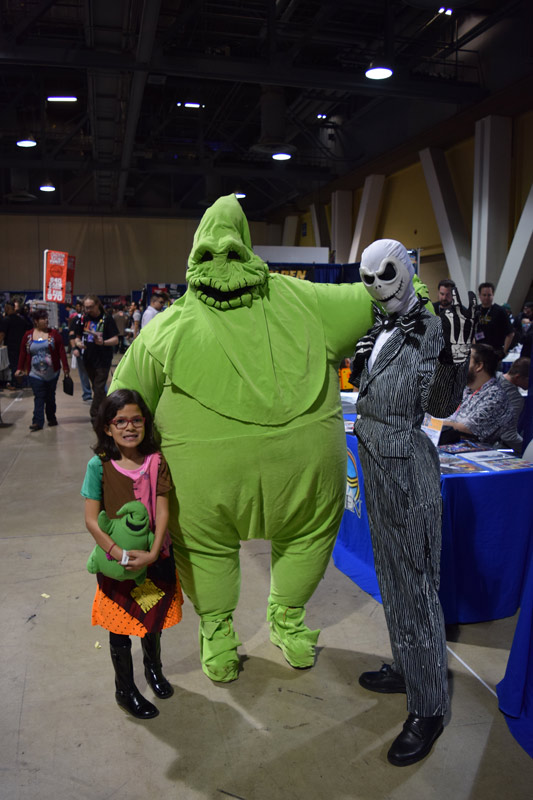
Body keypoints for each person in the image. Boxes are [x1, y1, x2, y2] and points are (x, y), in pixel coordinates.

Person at [109, 194, 432, 685]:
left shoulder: (168, 328)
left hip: (214, 492)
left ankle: (252, 624)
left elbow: (121, 404)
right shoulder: (307, 300)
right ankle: (250, 623)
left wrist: (126, 463)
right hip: (293, 482)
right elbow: (390, 294)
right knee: (294, 539)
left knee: (220, 548)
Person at [350, 239, 474, 767]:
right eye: (368, 278)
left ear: (405, 269)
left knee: (417, 585)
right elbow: (370, 388)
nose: (379, 286)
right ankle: (407, 668)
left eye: (386, 274)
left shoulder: (430, 329)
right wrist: (361, 366)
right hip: (375, 463)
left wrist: (456, 359)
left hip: (406, 467)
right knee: (391, 575)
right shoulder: (380, 325)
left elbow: (441, 405)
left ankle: (428, 706)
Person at [81, 389, 183, 719]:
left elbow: (164, 510)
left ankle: (154, 670)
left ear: (146, 422)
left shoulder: (156, 461)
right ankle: (124, 689)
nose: (129, 427)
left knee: (153, 618)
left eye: (136, 419)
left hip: (155, 558)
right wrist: (117, 553)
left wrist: (153, 553)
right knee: (121, 625)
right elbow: (91, 519)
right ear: (107, 427)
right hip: (118, 566)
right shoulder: (99, 465)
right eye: (120, 421)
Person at [443, 343, 514, 445]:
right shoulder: (465, 390)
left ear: (479, 366)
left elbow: (468, 428)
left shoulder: (495, 396)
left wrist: (431, 423)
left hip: (473, 452)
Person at [15, 308, 70, 431]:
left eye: (46, 318)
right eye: (43, 318)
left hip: (52, 372)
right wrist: (19, 368)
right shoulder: (28, 335)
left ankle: (51, 417)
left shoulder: (54, 334)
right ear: (36, 321)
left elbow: (61, 351)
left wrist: (66, 368)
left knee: (50, 397)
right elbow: (23, 353)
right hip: (35, 373)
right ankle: (37, 421)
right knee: (39, 396)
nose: (46, 320)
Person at [70, 295, 119, 425]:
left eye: (91, 307)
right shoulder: (82, 319)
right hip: (88, 359)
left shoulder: (107, 319)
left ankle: (95, 415)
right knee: (97, 389)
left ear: (97, 305)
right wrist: (78, 343)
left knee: (98, 387)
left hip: (103, 359)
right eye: (86, 307)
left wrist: (103, 342)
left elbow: (115, 339)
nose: (88, 310)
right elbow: (77, 336)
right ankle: (107, 411)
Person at [495, 357, 530, 454]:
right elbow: (508, 435)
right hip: (491, 446)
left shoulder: (491, 377)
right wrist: (527, 449)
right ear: (518, 377)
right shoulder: (515, 399)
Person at [0, 300, 32, 389]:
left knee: (13, 365)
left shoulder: (6, 320)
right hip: (21, 346)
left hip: (11, 347)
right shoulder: (21, 320)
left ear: (7, 308)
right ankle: (22, 382)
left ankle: (15, 383)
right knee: (20, 364)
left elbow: (2, 334)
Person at [476, 282, 514, 358]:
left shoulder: (500, 311)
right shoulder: (474, 310)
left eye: (489, 295)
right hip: (478, 352)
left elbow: (510, 333)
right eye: (484, 295)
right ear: (479, 296)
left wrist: (504, 351)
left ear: (493, 295)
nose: (486, 297)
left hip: (495, 352)